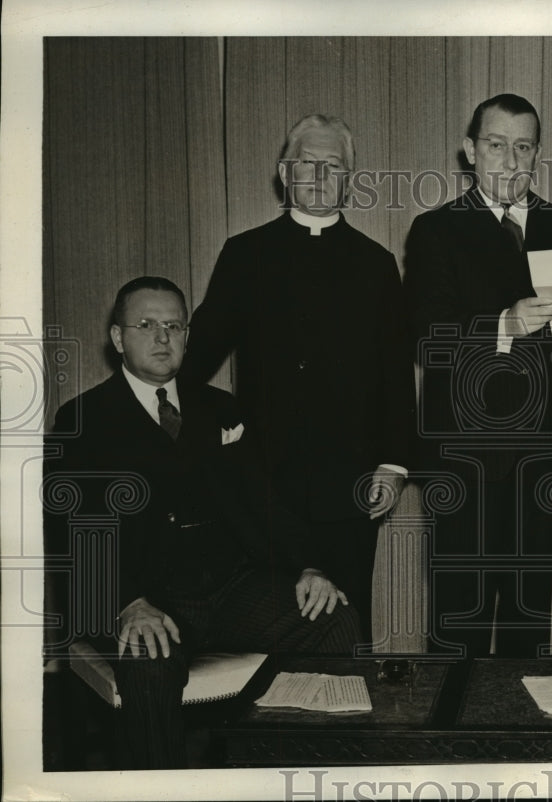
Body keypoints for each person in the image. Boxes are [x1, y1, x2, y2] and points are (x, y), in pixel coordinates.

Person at [46, 277, 361, 769]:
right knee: (148, 657)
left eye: (173, 326)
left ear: (188, 336)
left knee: (330, 616)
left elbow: (266, 503)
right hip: (143, 596)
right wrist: (127, 603)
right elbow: (73, 532)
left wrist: (309, 567)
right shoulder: (83, 419)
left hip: (227, 589)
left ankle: (308, 772)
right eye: (146, 325)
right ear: (116, 338)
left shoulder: (220, 408)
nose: (162, 338)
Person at [182, 114, 416, 643]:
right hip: (264, 487)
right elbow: (194, 362)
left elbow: (397, 376)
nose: (318, 174)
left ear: (348, 181)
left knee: (346, 625)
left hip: (352, 486)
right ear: (285, 173)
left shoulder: (376, 266)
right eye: (307, 162)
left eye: (332, 165)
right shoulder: (246, 254)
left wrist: (393, 464)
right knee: (270, 631)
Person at [404, 93, 552, 658]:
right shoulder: (434, 230)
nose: (510, 161)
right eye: (496, 145)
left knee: (528, 611)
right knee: (458, 612)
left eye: (523, 147)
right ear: (471, 151)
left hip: (544, 451)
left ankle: (522, 736)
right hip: (462, 454)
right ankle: (450, 741)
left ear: (538, 154)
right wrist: (504, 323)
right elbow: (427, 337)